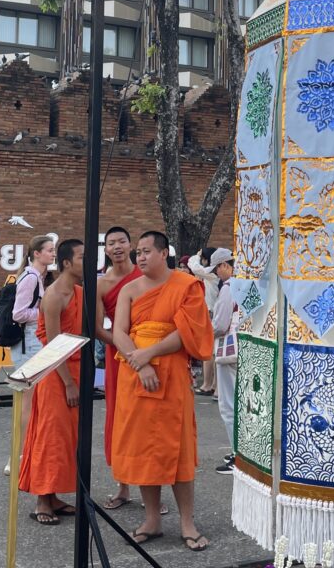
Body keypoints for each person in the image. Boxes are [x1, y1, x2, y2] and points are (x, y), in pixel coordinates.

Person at [112, 231, 214, 551]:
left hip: (171, 377)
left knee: (178, 449)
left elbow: (188, 332)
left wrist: (150, 353)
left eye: (145, 251)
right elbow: (119, 331)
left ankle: (187, 523)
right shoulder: (129, 290)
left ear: (163, 253)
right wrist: (139, 364)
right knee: (144, 451)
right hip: (136, 377)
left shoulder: (186, 285)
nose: (139, 257)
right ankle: (152, 519)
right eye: (137, 253)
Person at [19, 237, 84, 524]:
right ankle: (42, 500)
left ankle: (54, 495)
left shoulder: (81, 292)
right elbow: (54, 344)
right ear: (67, 263)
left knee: (67, 437)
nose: (88, 261)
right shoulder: (54, 295)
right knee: (50, 435)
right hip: (56, 373)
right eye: (82, 257)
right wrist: (68, 382)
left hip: (76, 369)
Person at [96, 226, 142, 509]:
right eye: (111, 243)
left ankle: (153, 488)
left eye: (121, 241)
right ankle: (123, 486)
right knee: (120, 417)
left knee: (149, 419)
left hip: (152, 353)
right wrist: (126, 348)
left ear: (131, 245)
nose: (117, 247)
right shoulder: (102, 284)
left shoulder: (147, 276)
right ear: (105, 249)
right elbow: (98, 328)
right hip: (119, 357)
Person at [4, 234, 55, 476]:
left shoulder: (34, 276)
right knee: (28, 402)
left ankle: (22, 454)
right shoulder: (31, 278)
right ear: (37, 253)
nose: (53, 254)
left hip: (32, 343)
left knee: (31, 401)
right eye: (49, 250)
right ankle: (18, 456)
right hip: (29, 344)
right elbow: (19, 313)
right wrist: (45, 312)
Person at [209, 248, 237, 473]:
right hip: (245, 348)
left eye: (217, 268)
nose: (218, 274)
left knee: (229, 406)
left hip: (229, 351)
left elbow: (219, 325)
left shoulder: (228, 288)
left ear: (224, 265)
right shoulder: (247, 283)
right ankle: (243, 452)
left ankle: (237, 454)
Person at [188, 247, 217, 397]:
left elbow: (194, 266)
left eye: (204, 259)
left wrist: (196, 255)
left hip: (211, 313)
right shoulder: (214, 275)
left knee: (209, 351)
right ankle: (213, 385)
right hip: (214, 312)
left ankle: (207, 385)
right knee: (215, 351)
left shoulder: (211, 273)